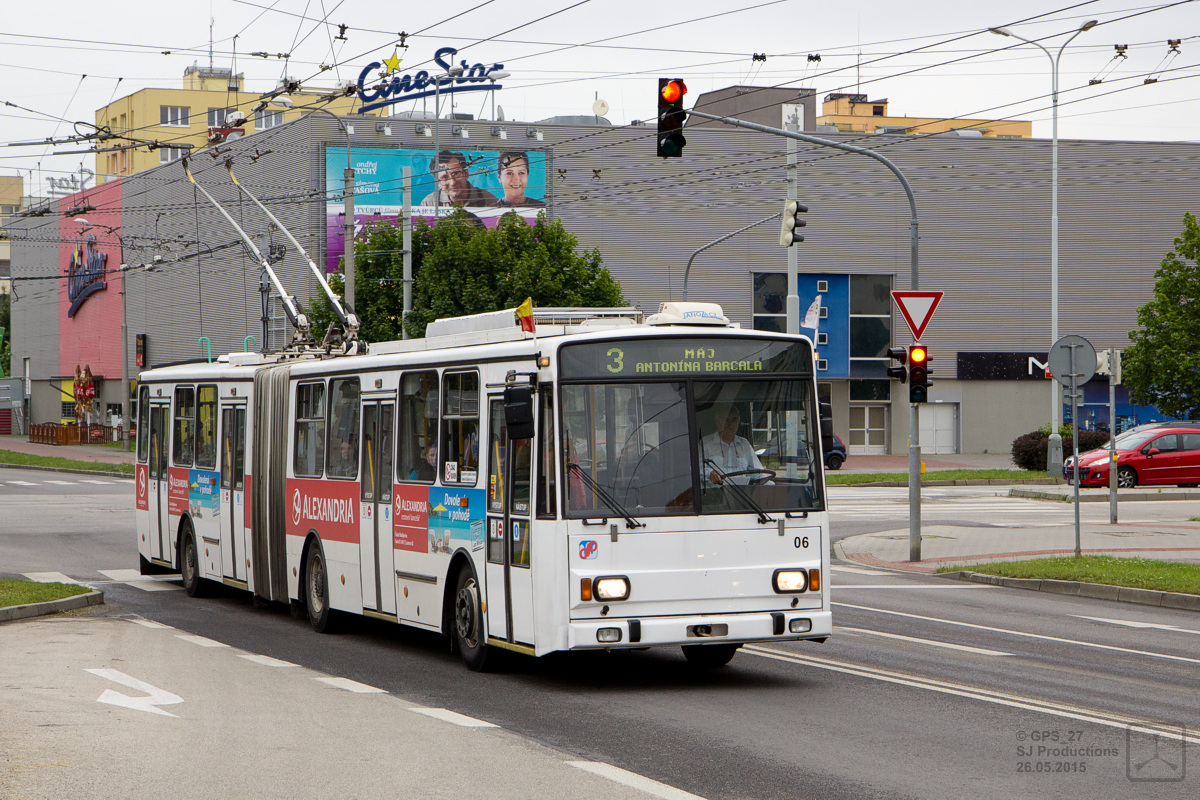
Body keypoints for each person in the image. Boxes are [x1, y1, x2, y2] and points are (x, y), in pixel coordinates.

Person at [699, 404, 765, 485]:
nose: (731, 424)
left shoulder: (744, 444)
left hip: (741, 492)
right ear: (717, 422)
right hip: (714, 492)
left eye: (734, 419)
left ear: (738, 421)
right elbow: (695, 469)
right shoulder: (705, 443)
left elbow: (759, 473)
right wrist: (710, 473)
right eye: (726, 419)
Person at [419, 151, 498, 207]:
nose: (452, 182)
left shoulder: (489, 200)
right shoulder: (429, 204)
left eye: (456, 174)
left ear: (466, 173)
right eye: (445, 177)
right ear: (438, 182)